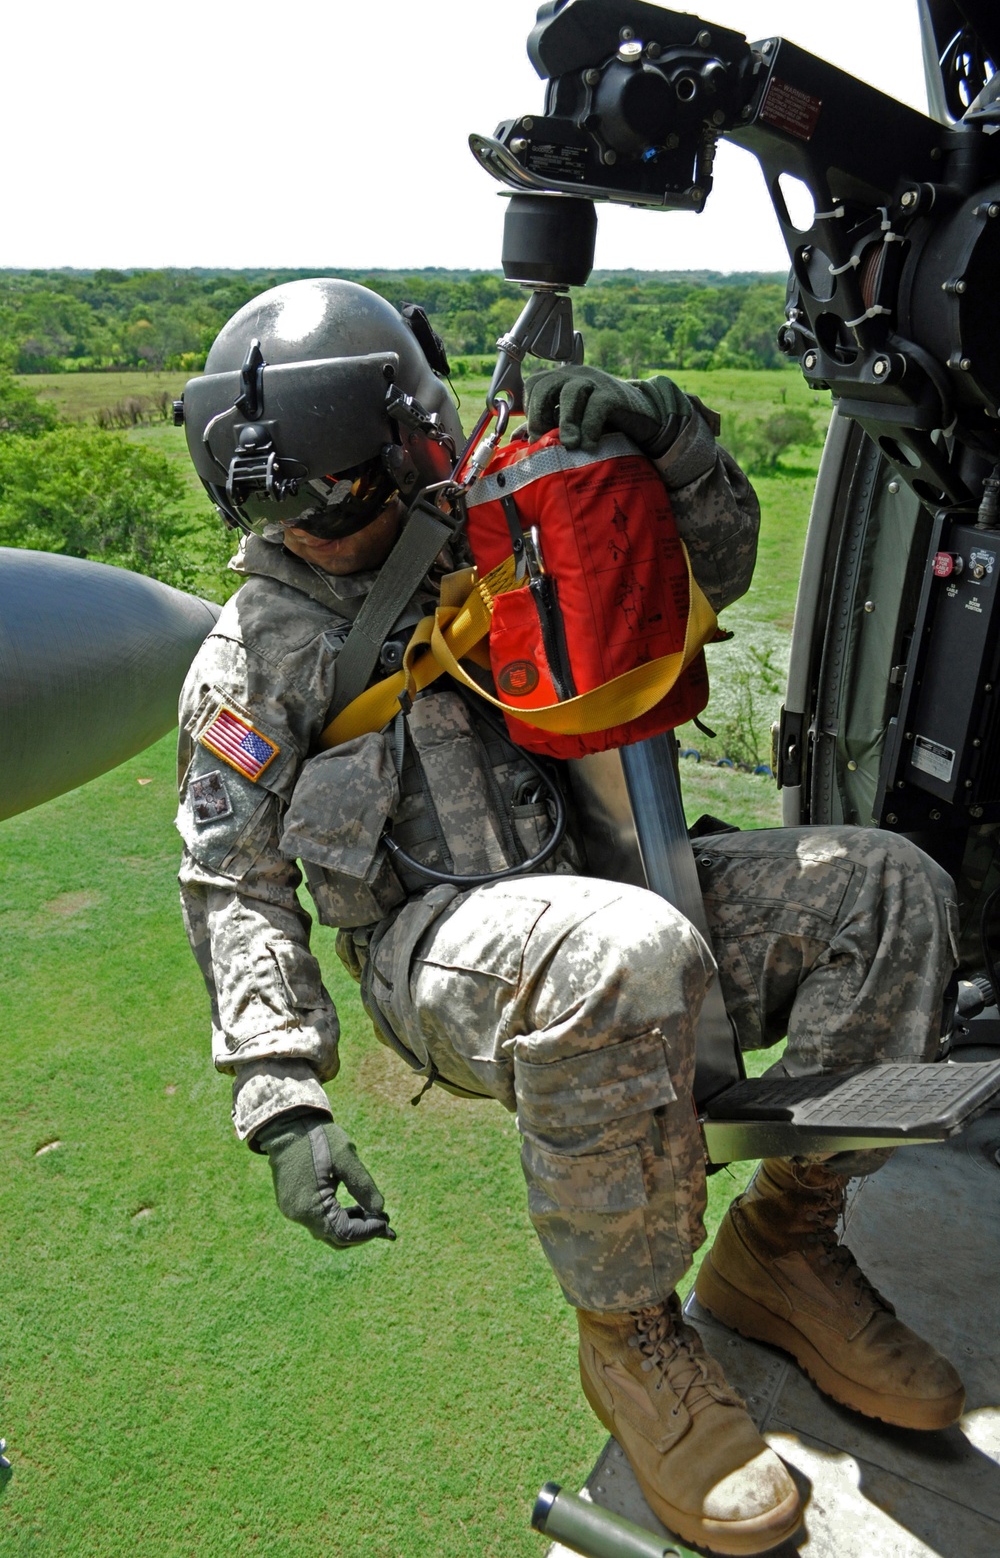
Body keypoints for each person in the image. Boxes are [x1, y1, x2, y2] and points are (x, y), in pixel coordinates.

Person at [176, 277, 962, 1557]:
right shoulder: (255, 657)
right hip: (438, 949)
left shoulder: (513, 511)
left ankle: (786, 1243)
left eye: (344, 491)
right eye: (276, 499)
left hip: (616, 863)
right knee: (618, 949)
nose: (316, 530)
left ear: (415, 440)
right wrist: (283, 1096)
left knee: (887, 883)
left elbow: (705, 568)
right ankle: (631, 1331)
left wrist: (666, 445)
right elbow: (233, 877)